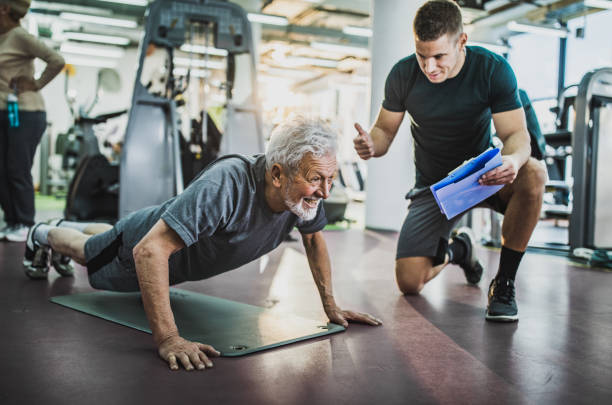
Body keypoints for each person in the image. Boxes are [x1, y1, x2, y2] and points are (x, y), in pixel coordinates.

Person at [25, 116, 383, 370]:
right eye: (316, 178)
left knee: (108, 233)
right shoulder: (228, 185)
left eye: (331, 178)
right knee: (87, 254)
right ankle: (41, 232)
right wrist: (169, 339)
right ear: (277, 174)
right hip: (139, 243)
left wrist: (330, 306)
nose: (324, 191)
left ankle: (64, 226)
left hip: (149, 231)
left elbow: (315, 241)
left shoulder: (300, 200)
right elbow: (149, 250)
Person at [353, 0, 547, 322]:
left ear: (462, 42)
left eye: (439, 56)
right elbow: (384, 131)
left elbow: (517, 135)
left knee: (534, 173)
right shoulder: (403, 74)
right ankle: (460, 250)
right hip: (435, 187)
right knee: (409, 282)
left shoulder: (492, 69)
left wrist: (512, 159)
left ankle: (504, 283)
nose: (430, 67)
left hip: (484, 177)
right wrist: (371, 144)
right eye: (422, 56)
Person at [0, 0, 65, 241]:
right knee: (2, 170)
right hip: (4, 113)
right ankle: (12, 221)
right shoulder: (2, 36)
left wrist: (36, 83)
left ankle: (26, 224)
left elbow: (56, 60)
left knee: (17, 168)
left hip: (25, 112)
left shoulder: (20, 36)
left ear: (5, 8)